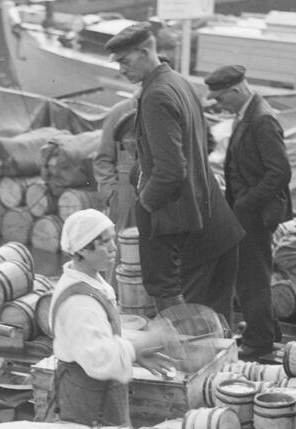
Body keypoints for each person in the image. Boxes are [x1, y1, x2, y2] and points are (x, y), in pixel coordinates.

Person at [104, 23, 243, 322]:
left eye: (125, 62)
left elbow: (170, 170)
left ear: (144, 52)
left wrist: (145, 205)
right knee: (217, 323)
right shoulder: (179, 82)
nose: (121, 70)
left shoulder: (155, 95)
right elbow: (200, 145)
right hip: (215, 222)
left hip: (178, 227)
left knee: (189, 327)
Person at [49, 209, 169, 426]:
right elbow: (98, 357)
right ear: (83, 249)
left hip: (101, 393)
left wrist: (133, 354)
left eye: (112, 240)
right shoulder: (78, 304)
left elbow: (101, 338)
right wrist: (140, 346)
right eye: (105, 243)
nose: (114, 248)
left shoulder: (91, 281)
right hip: (88, 401)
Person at [204, 64, 291, 360]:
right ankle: (268, 332)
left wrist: (245, 203)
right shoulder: (248, 114)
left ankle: (259, 342)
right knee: (254, 275)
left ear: (237, 90)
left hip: (254, 214)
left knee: (251, 278)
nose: (219, 104)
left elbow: (279, 173)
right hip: (248, 211)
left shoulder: (262, 120)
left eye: (221, 98)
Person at [93, 31, 179, 234]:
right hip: (125, 197)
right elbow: (103, 159)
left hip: (157, 198)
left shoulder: (166, 104)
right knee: (124, 254)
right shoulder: (118, 113)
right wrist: (111, 195)